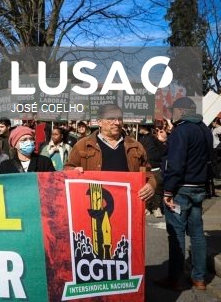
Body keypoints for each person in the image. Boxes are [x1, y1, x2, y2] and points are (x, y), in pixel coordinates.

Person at [156, 97, 214, 292]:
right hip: (199, 186)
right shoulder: (204, 129)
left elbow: (176, 164)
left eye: (174, 110)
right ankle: (199, 278)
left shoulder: (182, 130)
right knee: (197, 234)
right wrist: (168, 141)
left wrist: (168, 190)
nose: (172, 113)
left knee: (176, 233)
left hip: (181, 187)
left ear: (181, 111)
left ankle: (175, 278)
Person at [64, 104, 156, 201]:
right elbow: (67, 169)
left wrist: (151, 185)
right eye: (111, 119)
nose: (117, 122)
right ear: (99, 122)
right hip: (96, 202)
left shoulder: (135, 146)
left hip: (127, 202)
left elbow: (148, 172)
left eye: (119, 119)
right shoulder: (82, 145)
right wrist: (73, 171)